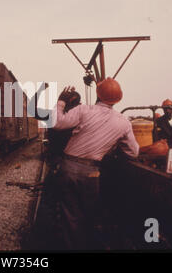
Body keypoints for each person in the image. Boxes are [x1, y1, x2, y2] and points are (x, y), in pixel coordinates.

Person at [52, 77, 139, 249]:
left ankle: (72, 246)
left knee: (70, 214)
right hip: (92, 172)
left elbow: (56, 123)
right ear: (117, 99)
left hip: (69, 167)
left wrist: (61, 102)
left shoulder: (84, 110)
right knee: (89, 214)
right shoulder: (123, 122)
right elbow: (134, 152)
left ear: (98, 95)